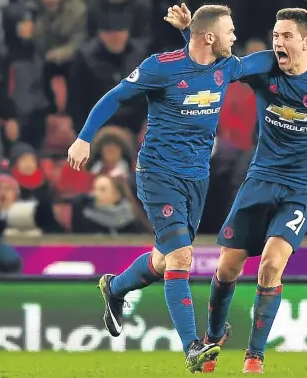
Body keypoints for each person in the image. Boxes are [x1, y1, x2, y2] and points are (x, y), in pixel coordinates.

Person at [169, 6, 307, 373]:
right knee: (226, 268)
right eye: (275, 36)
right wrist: (190, 35)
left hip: (300, 190)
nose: (279, 42)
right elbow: (222, 66)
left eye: (287, 36)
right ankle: (211, 339)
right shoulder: (264, 66)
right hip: (258, 182)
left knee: (271, 265)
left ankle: (254, 355)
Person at [66, 4, 276, 372]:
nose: (235, 38)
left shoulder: (225, 67)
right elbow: (114, 96)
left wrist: (295, 53)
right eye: (229, 32)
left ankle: (115, 288)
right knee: (181, 257)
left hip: (197, 179)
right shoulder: (159, 67)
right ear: (210, 36)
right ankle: (193, 347)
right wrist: (84, 138)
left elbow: (260, 62)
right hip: (157, 174)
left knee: (165, 260)